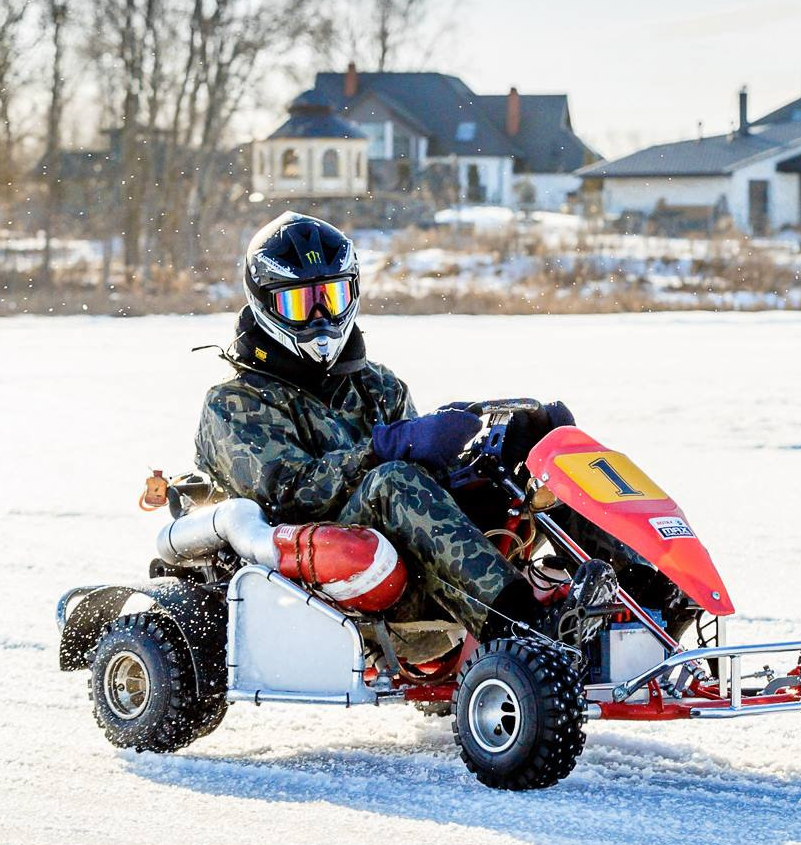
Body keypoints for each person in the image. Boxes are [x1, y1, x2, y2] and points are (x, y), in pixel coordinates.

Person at [193, 211, 597, 651]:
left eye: (332, 296)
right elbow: (287, 494)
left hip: (408, 561)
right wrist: (388, 448)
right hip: (317, 574)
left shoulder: (377, 385)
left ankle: (650, 599)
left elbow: (428, 491)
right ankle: (526, 626)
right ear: (265, 304)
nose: (321, 318)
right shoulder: (234, 402)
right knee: (393, 480)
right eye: (300, 304)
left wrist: (487, 459)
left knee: (536, 468)